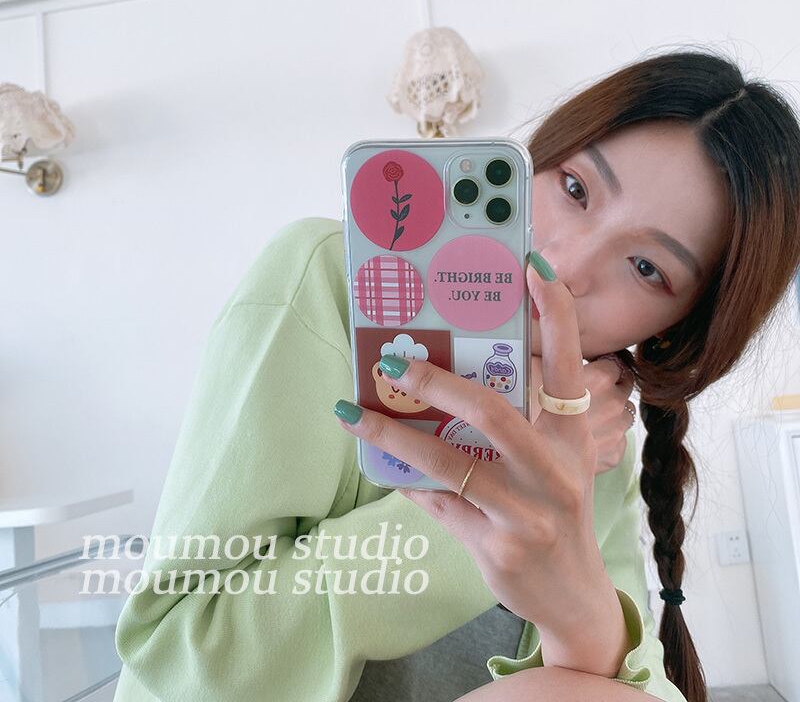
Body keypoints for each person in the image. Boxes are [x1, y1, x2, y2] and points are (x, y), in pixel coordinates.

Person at [112, 49, 800, 702]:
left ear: (675, 328)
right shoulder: (327, 284)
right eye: (575, 189)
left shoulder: (592, 428)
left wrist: (583, 617)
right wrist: (480, 509)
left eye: (647, 268)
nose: (565, 265)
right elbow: (182, 651)